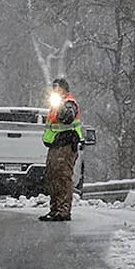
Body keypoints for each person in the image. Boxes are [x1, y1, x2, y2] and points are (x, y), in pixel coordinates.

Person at [40, 78, 82, 222]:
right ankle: (54, 209)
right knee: (52, 177)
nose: (54, 91)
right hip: (55, 146)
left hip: (66, 146)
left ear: (64, 89)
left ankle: (63, 211)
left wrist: (60, 107)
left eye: (57, 89)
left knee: (63, 177)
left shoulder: (69, 103)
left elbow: (68, 117)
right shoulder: (56, 105)